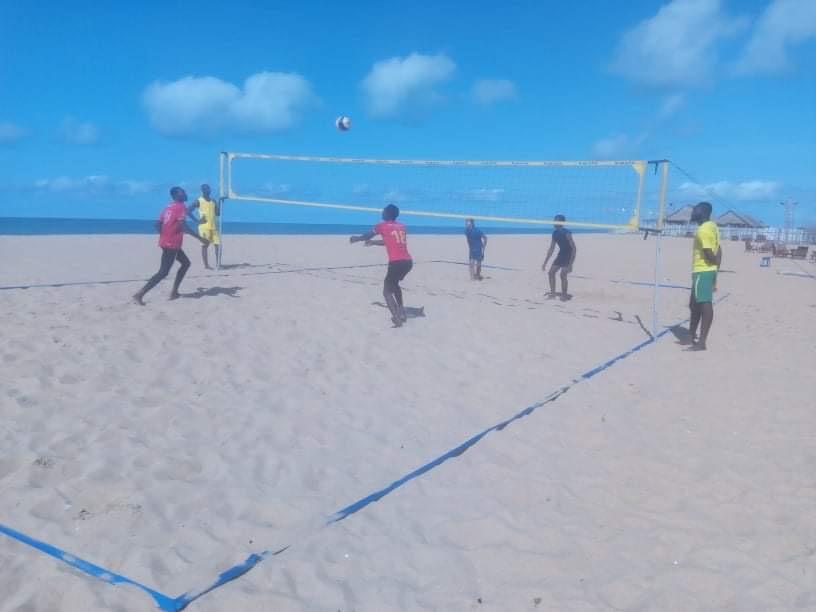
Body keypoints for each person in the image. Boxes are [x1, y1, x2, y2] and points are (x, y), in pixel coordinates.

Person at [133, 187, 208, 305]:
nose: (186, 194)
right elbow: (183, 227)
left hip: (167, 242)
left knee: (186, 263)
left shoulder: (168, 207)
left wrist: (165, 235)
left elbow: (157, 225)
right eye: (183, 192)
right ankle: (139, 294)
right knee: (163, 272)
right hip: (172, 244)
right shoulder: (180, 207)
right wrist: (200, 238)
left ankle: (174, 292)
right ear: (177, 195)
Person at [350, 204, 413, 327]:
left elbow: (367, 235)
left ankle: (397, 318)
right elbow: (389, 241)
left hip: (396, 262)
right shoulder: (402, 226)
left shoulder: (382, 226)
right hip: (408, 262)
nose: (382, 213)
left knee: (386, 291)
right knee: (394, 285)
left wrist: (357, 238)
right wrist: (373, 243)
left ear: (388, 214)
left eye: (383, 211)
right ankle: (401, 311)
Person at [688, 201, 721, 351]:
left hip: (703, 270)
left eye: (695, 209)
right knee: (693, 304)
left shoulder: (703, 230)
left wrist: (712, 268)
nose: (693, 212)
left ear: (703, 213)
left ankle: (702, 342)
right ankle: (691, 333)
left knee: (704, 305)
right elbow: (719, 249)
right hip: (706, 270)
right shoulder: (712, 226)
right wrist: (716, 270)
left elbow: (709, 253)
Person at [542, 214, 577, 301]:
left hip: (568, 255)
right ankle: (553, 294)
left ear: (561, 222)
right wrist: (545, 262)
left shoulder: (567, 232)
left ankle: (564, 296)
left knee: (562, 275)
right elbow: (551, 248)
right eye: (554, 220)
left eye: (556, 220)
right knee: (551, 273)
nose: (554, 222)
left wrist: (571, 264)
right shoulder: (554, 233)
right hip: (561, 255)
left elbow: (574, 248)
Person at [188, 184, 221, 269]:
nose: (208, 190)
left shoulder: (213, 201)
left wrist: (219, 202)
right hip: (204, 227)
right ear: (202, 190)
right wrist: (197, 221)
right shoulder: (199, 200)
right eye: (206, 189)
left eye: (209, 188)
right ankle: (206, 265)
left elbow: (218, 213)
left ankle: (218, 264)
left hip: (214, 226)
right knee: (205, 245)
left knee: (218, 244)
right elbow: (188, 210)